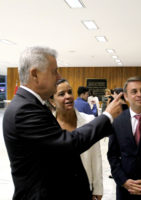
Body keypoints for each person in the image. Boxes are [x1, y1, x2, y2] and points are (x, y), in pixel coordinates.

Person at [2, 46, 122, 199]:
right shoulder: (24, 109)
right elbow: (68, 144)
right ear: (35, 74)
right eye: (54, 71)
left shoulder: (33, 105)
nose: (59, 77)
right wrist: (107, 116)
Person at [50, 78, 104, 200]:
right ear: (52, 101)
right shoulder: (48, 126)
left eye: (70, 92)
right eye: (61, 94)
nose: (68, 96)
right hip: (56, 188)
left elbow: (96, 157)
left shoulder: (89, 121)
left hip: (84, 187)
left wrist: (98, 188)